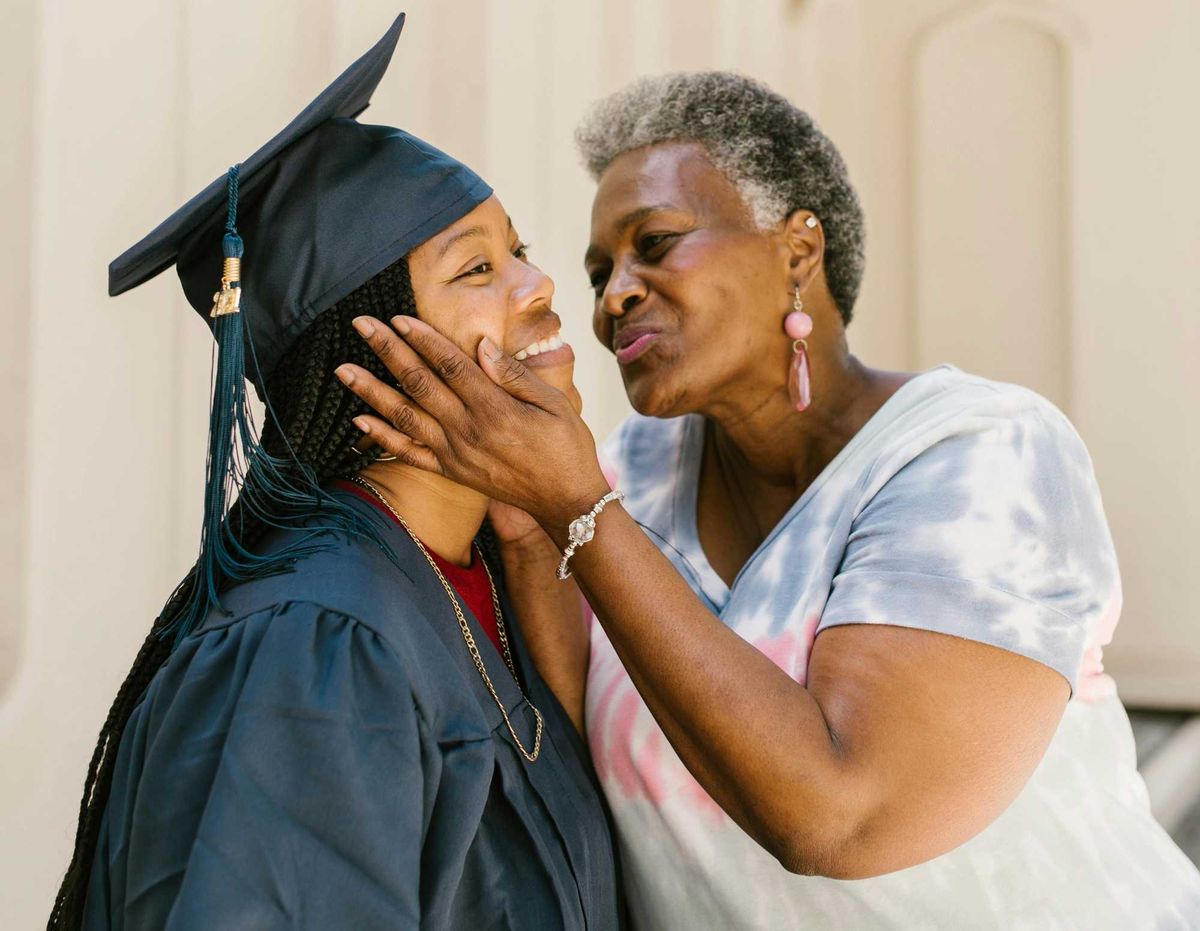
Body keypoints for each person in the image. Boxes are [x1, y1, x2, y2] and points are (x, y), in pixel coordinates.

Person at [337, 72, 1200, 928]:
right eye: (602, 270)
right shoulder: (630, 474)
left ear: (797, 249)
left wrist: (571, 504)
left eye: (657, 242)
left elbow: (841, 817)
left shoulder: (977, 451)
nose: (611, 297)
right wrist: (525, 521)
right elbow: (577, 752)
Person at [49, 16, 620, 931]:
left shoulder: (477, 574)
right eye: (477, 267)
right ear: (371, 354)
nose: (539, 285)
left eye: (519, 247)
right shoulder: (316, 642)